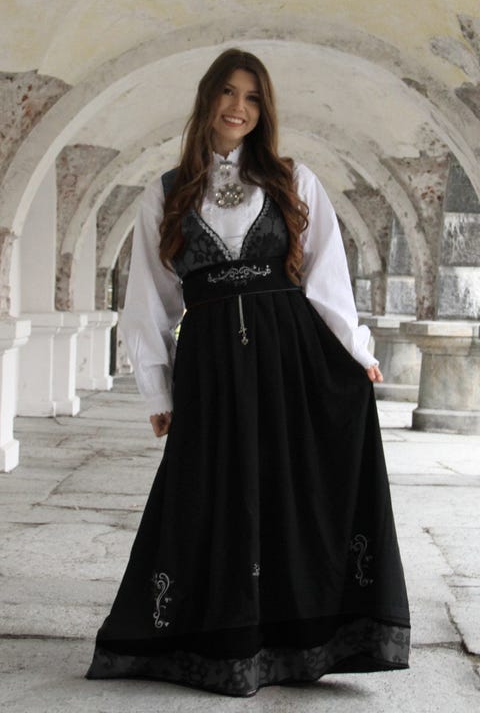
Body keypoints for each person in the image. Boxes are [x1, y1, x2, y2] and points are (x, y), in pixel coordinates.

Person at [86, 48, 410, 697]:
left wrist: (356, 351)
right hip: (209, 366)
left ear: (265, 110)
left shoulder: (294, 181)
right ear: (207, 98)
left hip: (292, 359)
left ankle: (295, 642)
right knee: (211, 493)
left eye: (253, 97)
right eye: (229, 92)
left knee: (288, 493)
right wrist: (156, 387)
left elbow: (326, 276)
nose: (239, 107)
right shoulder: (165, 193)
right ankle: (218, 641)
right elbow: (149, 300)